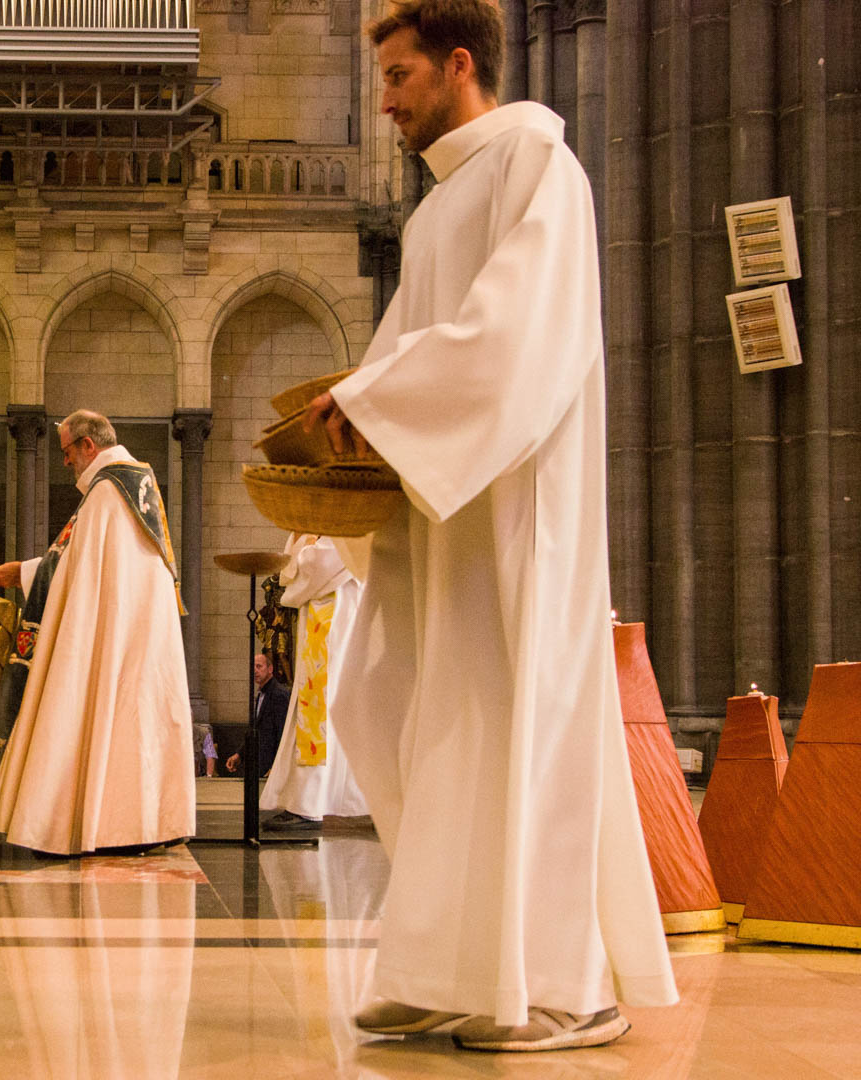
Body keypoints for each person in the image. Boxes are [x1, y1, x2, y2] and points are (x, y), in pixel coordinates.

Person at [300, 0, 678, 1052]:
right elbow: (405, 348)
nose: (383, 102)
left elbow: (513, 336)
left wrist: (380, 401)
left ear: (459, 64)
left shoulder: (534, 168)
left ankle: (557, 987)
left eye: (399, 77)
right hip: (439, 509)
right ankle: (449, 968)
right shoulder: (432, 212)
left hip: (515, 508)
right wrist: (353, 410)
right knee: (392, 698)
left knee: (515, 718)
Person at [0, 410, 196, 855]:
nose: (65, 462)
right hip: (142, 637)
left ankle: (104, 827)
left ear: (88, 446)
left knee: (100, 713)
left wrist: (22, 572)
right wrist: (25, 570)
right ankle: (145, 824)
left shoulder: (107, 492)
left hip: (114, 636)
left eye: (66, 451)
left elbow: (72, 565)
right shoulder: (138, 486)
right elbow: (81, 560)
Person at [258, 534, 371, 829]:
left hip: (336, 613)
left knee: (319, 706)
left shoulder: (346, 518)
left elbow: (319, 562)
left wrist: (304, 543)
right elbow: (291, 569)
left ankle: (310, 804)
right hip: (327, 610)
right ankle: (320, 801)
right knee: (323, 707)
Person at [226, 652, 289, 778]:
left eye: (259, 666)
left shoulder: (279, 694)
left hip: (271, 766)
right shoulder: (261, 694)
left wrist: (276, 766)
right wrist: (239, 755)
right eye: (253, 667)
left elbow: (283, 733)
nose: (255, 671)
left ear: (270, 669)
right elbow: (256, 729)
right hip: (258, 763)